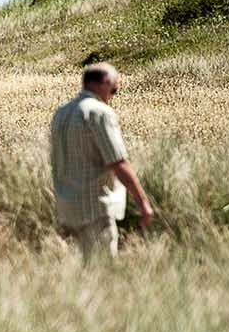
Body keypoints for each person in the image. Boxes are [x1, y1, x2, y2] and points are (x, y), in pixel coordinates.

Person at [49, 63, 154, 262]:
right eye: (115, 89)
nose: (113, 95)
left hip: (66, 208)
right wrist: (143, 204)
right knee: (102, 271)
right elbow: (118, 162)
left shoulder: (61, 112)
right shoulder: (99, 113)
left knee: (80, 268)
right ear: (105, 83)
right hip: (95, 208)